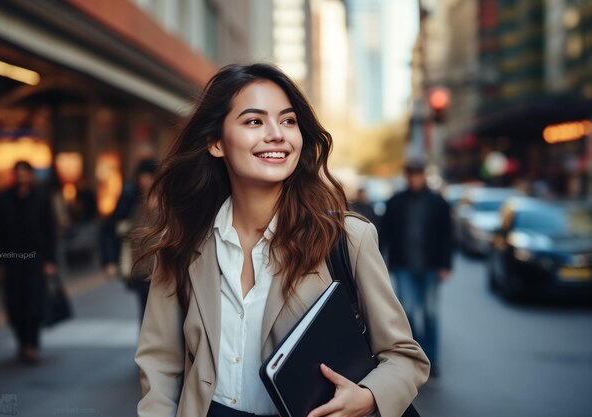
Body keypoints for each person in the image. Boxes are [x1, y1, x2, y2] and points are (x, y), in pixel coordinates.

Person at [134, 63, 429, 417]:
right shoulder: (182, 243)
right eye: (254, 121)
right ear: (216, 142)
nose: (277, 134)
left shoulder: (347, 239)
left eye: (288, 121)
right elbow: (160, 366)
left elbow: (404, 357)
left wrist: (367, 397)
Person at [381, 158, 453, 377]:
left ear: (424, 176)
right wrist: (382, 261)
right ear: (407, 177)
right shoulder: (395, 202)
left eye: (418, 175)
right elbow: (384, 234)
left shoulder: (438, 202)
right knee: (409, 313)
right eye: (411, 175)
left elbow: (448, 235)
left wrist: (446, 265)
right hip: (404, 266)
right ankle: (414, 359)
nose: (414, 179)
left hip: (431, 267)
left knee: (430, 314)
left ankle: (432, 361)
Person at [0, 161, 57, 363]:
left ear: (31, 175)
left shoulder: (41, 197)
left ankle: (32, 344)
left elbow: (50, 231)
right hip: (12, 260)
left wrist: (50, 260)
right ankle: (22, 342)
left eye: (25, 173)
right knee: (15, 302)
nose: (22, 177)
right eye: (18, 173)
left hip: (35, 258)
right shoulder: (3, 198)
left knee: (34, 303)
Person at [101, 159, 158, 321]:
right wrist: (109, 260)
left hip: (163, 268)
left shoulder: (168, 201)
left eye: (151, 177)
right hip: (140, 266)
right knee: (146, 311)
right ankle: (147, 345)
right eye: (144, 177)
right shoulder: (131, 199)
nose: (147, 181)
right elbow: (111, 229)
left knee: (159, 315)